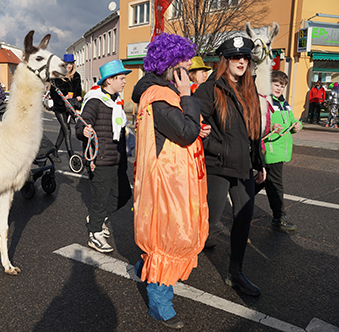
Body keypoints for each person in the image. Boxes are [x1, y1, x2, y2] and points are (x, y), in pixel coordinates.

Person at [131, 33, 209, 330]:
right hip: (166, 187)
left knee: (169, 239)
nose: (189, 71)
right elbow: (184, 133)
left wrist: (194, 129)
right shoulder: (160, 98)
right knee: (168, 239)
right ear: (171, 67)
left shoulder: (163, 95)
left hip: (172, 181)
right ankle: (159, 304)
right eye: (185, 66)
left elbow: (179, 134)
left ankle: (146, 269)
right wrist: (188, 95)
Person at [194, 36, 266, 297]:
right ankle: (175, 257)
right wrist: (217, 147)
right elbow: (195, 126)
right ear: (225, 60)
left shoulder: (250, 88)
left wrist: (260, 163)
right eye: (236, 57)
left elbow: (254, 131)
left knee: (243, 219)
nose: (242, 62)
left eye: (245, 57)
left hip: (244, 167)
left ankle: (235, 272)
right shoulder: (210, 88)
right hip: (218, 166)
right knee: (208, 221)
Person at [75, 59, 132, 253]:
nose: (124, 82)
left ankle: (96, 218)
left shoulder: (115, 101)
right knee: (100, 199)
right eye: (121, 78)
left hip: (117, 160)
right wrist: (83, 130)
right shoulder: (95, 100)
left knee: (123, 194)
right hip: (100, 160)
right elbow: (82, 122)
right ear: (109, 80)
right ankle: (95, 233)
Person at [256, 70, 301, 232]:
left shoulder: (284, 103)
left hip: (281, 150)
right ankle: (279, 218)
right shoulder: (264, 102)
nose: (279, 88)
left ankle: (241, 204)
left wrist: (297, 125)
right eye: (276, 84)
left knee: (261, 181)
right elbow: (259, 126)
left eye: (282, 85)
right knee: (275, 185)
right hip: (270, 150)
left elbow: (292, 121)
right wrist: (271, 127)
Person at [51, 54, 82, 162]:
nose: (69, 66)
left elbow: (79, 90)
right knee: (67, 130)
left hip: (70, 107)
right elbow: (53, 94)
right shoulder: (57, 76)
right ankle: (71, 156)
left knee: (63, 131)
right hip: (59, 108)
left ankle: (54, 150)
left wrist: (78, 97)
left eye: (71, 64)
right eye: (67, 64)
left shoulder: (76, 76)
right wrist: (63, 98)